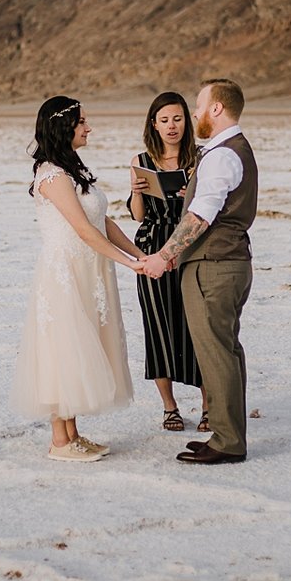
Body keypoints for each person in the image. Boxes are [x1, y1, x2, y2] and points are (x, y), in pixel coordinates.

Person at [12, 96, 142, 461]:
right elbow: (84, 230)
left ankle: (72, 433)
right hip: (65, 273)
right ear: (63, 127)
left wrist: (138, 255)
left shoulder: (73, 169)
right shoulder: (51, 174)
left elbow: (104, 223)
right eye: (82, 121)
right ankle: (59, 441)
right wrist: (129, 265)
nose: (88, 127)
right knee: (63, 351)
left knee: (82, 348)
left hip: (90, 270)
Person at [139, 79, 258, 465]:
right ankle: (228, 434)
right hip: (228, 262)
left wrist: (165, 256)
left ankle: (227, 441)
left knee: (217, 353)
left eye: (198, 107)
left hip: (215, 267)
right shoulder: (230, 150)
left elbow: (201, 214)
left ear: (217, 109)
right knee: (226, 350)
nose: (193, 115)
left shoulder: (222, 155)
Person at [128, 92, 207, 432]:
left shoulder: (199, 159)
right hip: (152, 247)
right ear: (153, 125)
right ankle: (170, 407)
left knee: (198, 327)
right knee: (158, 327)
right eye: (164, 120)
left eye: (177, 119)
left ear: (187, 122)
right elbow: (137, 215)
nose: (171, 126)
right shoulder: (142, 159)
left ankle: (209, 406)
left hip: (190, 247)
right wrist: (136, 190)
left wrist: (189, 192)